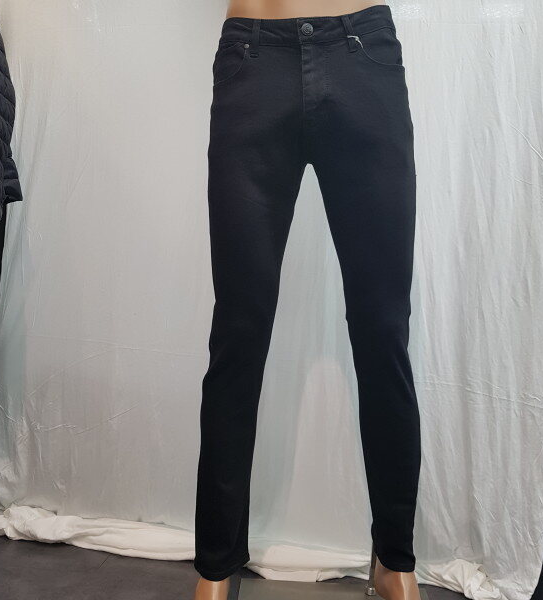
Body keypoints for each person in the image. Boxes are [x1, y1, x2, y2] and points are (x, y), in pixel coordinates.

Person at [194, 2, 421, 599]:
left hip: (362, 56)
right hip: (252, 61)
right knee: (238, 333)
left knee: (383, 330)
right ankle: (215, 563)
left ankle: (395, 557)